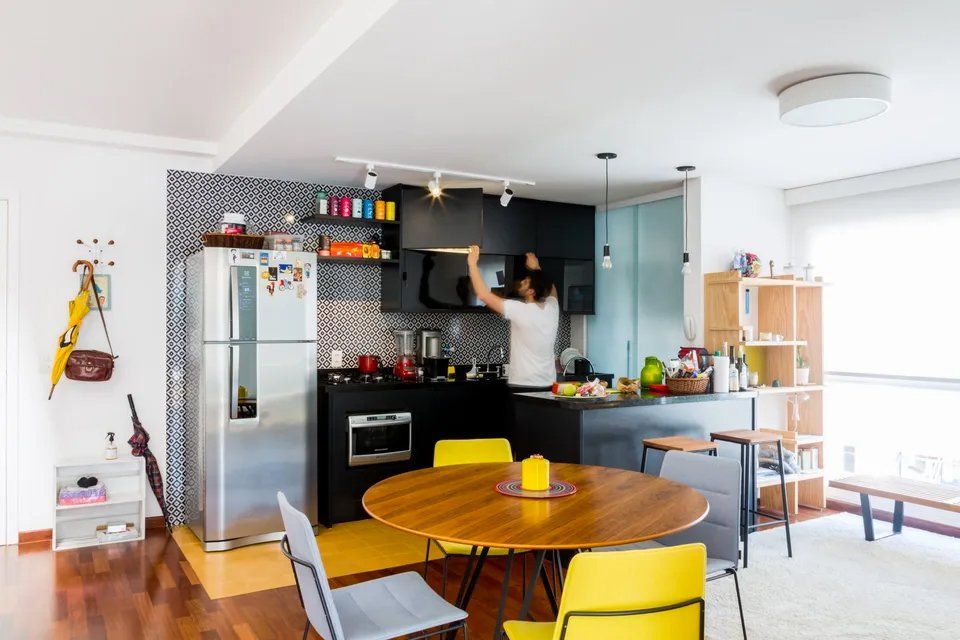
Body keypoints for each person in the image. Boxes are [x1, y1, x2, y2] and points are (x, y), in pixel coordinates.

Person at [467, 245, 559, 389]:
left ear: (531, 291)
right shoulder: (552, 309)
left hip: (524, 384)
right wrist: (536, 268)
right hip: (548, 384)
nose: (522, 281)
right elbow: (552, 290)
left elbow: (483, 295)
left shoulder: (520, 309)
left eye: (527, 281)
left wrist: (472, 264)